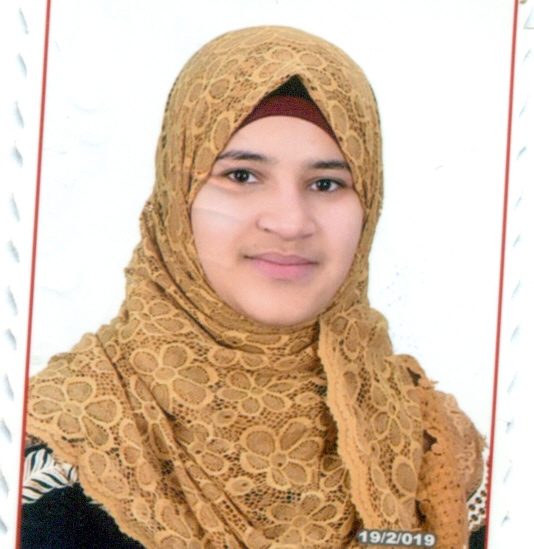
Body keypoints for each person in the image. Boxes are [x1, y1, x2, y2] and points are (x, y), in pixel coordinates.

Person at [21, 26, 485, 549]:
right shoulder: (54, 457)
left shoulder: (439, 454)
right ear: (177, 194)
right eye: (242, 176)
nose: (290, 222)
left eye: (326, 183)